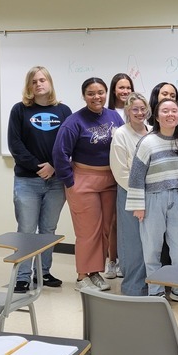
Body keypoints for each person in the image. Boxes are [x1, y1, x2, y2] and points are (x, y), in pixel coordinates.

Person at [52, 77, 124, 291]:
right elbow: (60, 153)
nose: (96, 97)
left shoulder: (113, 116)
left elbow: (124, 142)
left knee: (104, 230)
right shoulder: (74, 121)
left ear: (106, 93)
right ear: (84, 96)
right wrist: (70, 182)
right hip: (83, 181)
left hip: (109, 180)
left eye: (100, 92)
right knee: (88, 231)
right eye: (91, 93)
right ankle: (82, 276)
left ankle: (95, 272)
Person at [6, 66, 71, 291]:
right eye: (34, 81)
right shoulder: (19, 110)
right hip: (27, 181)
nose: (39, 84)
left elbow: (68, 144)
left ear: (50, 82)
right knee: (26, 229)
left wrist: (54, 166)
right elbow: (15, 144)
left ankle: (43, 273)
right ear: (29, 86)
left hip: (56, 181)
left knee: (48, 229)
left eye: (42, 80)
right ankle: (23, 276)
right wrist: (38, 167)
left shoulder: (64, 111)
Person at [126, 98, 178, 303]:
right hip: (152, 200)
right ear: (156, 116)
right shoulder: (147, 142)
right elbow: (136, 176)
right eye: (165, 111)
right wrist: (138, 205)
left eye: (174, 111)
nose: (170, 114)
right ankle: (155, 291)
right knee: (152, 249)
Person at [109, 92, 151, 296]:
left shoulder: (152, 132)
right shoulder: (121, 134)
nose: (140, 112)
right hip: (130, 193)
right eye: (135, 109)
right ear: (127, 111)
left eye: (143, 108)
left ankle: (151, 283)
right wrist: (139, 191)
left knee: (150, 242)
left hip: (153, 194)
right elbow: (120, 171)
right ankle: (133, 286)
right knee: (132, 241)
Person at [105, 72, 135, 279]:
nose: (125, 91)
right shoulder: (108, 113)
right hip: (111, 171)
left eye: (128, 87)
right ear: (114, 90)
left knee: (128, 221)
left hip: (130, 173)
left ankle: (128, 262)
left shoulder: (136, 111)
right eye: (121, 87)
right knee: (113, 220)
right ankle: (112, 261)